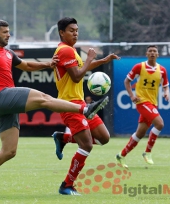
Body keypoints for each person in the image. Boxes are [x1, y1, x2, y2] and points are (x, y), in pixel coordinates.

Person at [0, 19, 109, 196]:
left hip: (5, 106)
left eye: (8, 31)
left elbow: (27, 65)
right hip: (1, 96)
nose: (9, 34)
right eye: (5, 32)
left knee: (9, 152)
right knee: (44, 98)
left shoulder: (8, 53)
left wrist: (47, 64)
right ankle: (84, 110)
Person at [50, 17, 120, 195]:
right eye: (71, 30)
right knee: (87, 145)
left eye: (77, 30)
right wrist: (89, 58)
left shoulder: (70, 50)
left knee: (104, 138)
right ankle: (66, 185)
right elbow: (76, 76)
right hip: (69, 105)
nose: (75, 33)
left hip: (80, 103)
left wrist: (101, 61)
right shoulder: (65, 51)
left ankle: (63, 138)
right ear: (61, 32)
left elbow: (81, 67)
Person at [115, 45, 170, 169]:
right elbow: (126, 81)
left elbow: (166, 85)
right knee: (160, 124)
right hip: (142, 102)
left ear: (158, 55)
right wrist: (131, 96)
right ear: (146, 54)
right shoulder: (139, 67)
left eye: (154, 51)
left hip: (152, 103)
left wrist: (166, 92)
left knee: (139, 134)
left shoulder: (162, 70)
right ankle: (148, 152)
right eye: (150, 51)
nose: (152, 53)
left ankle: (121, 155)